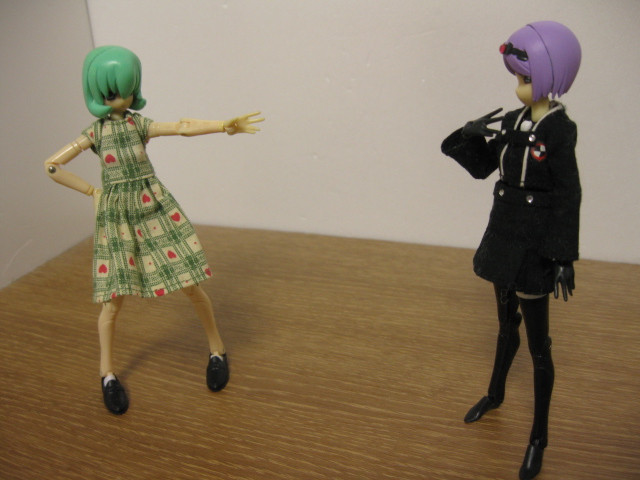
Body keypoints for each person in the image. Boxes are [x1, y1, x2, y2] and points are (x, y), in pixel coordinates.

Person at [44, 45, 264, 415]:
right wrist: (93, 192)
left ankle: (217, 350)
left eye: (127, 90)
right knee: (113, 299)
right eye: (111, 92)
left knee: (189, 282)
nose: (120, 98)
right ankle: (107, 374)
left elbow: (180, 127)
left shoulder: (138, 125)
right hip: (118, 216)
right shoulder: (95, 133)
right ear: (96, 93)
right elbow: (52, 165)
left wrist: (222, 125)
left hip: (153, 207)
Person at [440, 21, 581, 480]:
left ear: (550, 76)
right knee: (505, 325)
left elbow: (568, 195)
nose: (518, 86)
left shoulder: (559, 130)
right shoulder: (513, 122)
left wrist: (563, 257)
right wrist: (467, 134)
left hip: (535, 245)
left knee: (540, 347)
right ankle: (496, 394)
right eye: (518, 77)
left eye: (524, 78)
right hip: (503, 235)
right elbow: (484, 167)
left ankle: (539, 437)